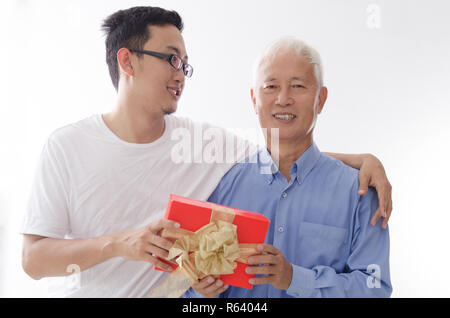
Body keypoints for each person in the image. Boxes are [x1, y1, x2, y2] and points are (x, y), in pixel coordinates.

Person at [21, 6, 392, 297]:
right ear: (127, 61)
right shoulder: (66, 146)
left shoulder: (204, 146)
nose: (181, 73)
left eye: (185, 63)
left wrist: (364, 161)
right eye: (171, 59)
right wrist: (120, 244)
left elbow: (283, 151)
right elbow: (32, 261)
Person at [185, 37, 392, 298]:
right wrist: (199, 293)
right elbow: (185, 288)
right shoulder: (221, 184)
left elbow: (375, 288)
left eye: (297, 86)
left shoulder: (360, 191)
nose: (283, 99)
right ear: (253, 99)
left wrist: (295, 278)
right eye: (271, 86)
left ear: (321, 99)